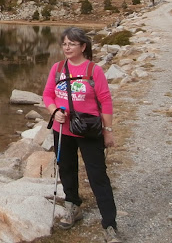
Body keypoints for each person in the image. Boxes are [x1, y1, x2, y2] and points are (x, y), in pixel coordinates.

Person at [42, 27, 121, 243]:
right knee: (67, 170)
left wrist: (108, 131)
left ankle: (109, 223)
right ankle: (73, 206)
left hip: (89, 130)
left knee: (98, 176)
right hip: (62, 130)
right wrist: (54, 111)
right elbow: (48, 94)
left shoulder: (93, 70)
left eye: (72, 44)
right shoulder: (58, 68)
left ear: (83, 46)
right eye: (64, 44)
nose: (67, 47)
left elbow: (105, 101)